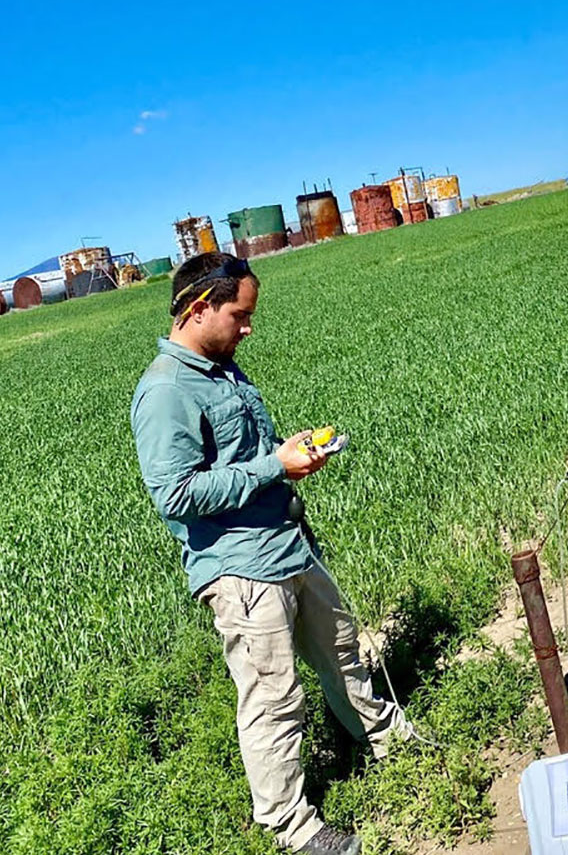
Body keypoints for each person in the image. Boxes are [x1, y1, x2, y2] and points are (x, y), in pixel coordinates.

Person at [129, 253, 409, 855]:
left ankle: (390, 747)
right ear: (199, 307)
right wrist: (271, 466)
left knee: (343, 655)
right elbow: (175, 495)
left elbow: (242, 462)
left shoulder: (222, 369)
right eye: (240, 315)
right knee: (274, 699)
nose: (248, 327)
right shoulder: (165, 391)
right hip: (241, 570)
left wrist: (289, 456)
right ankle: (295, 829)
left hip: (289, 546)